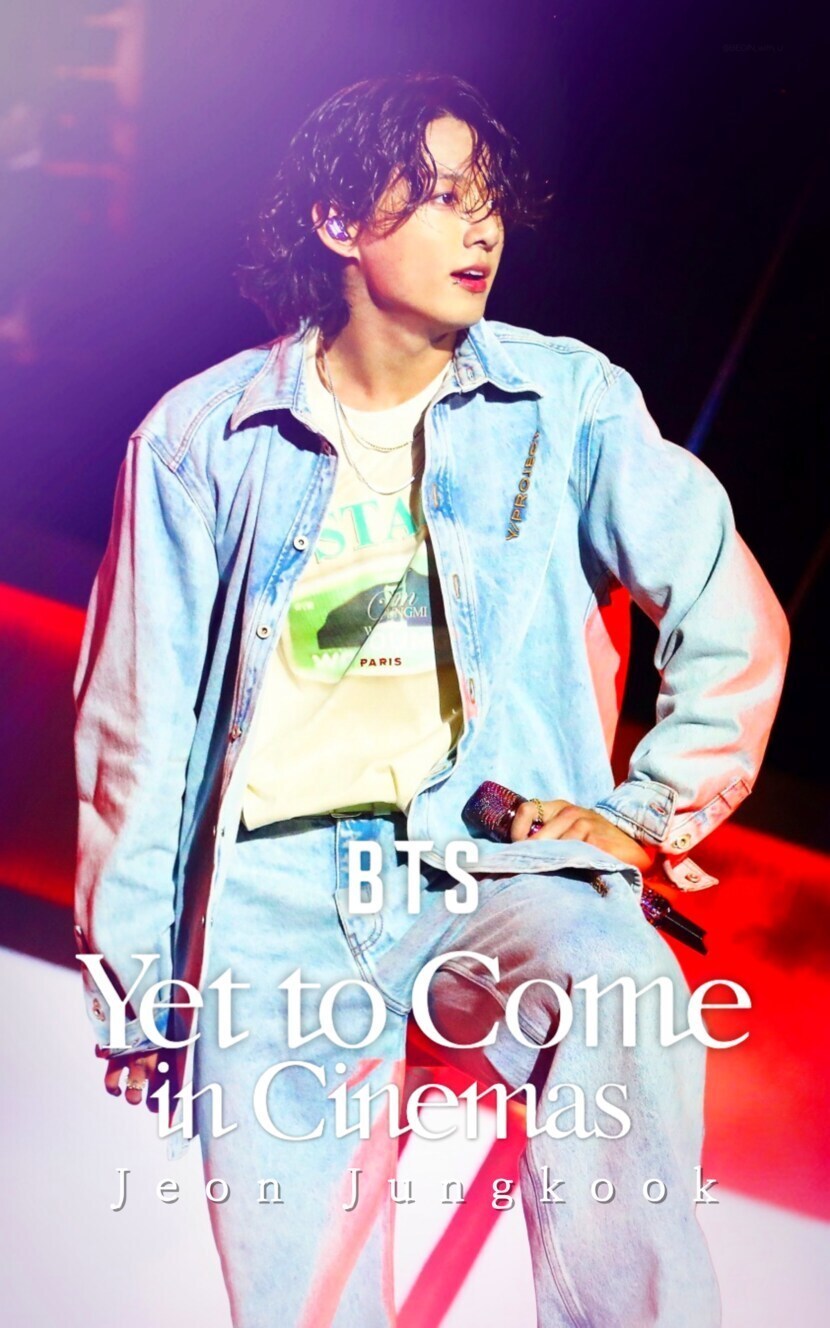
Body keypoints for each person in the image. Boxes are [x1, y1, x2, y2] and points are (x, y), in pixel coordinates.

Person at [73, 73, 789, 1327]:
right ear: (339, 221)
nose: (481, 229)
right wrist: (138, 984)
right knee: (307, 1301)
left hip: (486, 860)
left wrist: (646, 815)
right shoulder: (202, 439)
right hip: (278, 900)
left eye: (490, 200)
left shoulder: (564, 402)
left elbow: (730, 614)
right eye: (443, 197)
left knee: (613, 972)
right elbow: (137, 728)